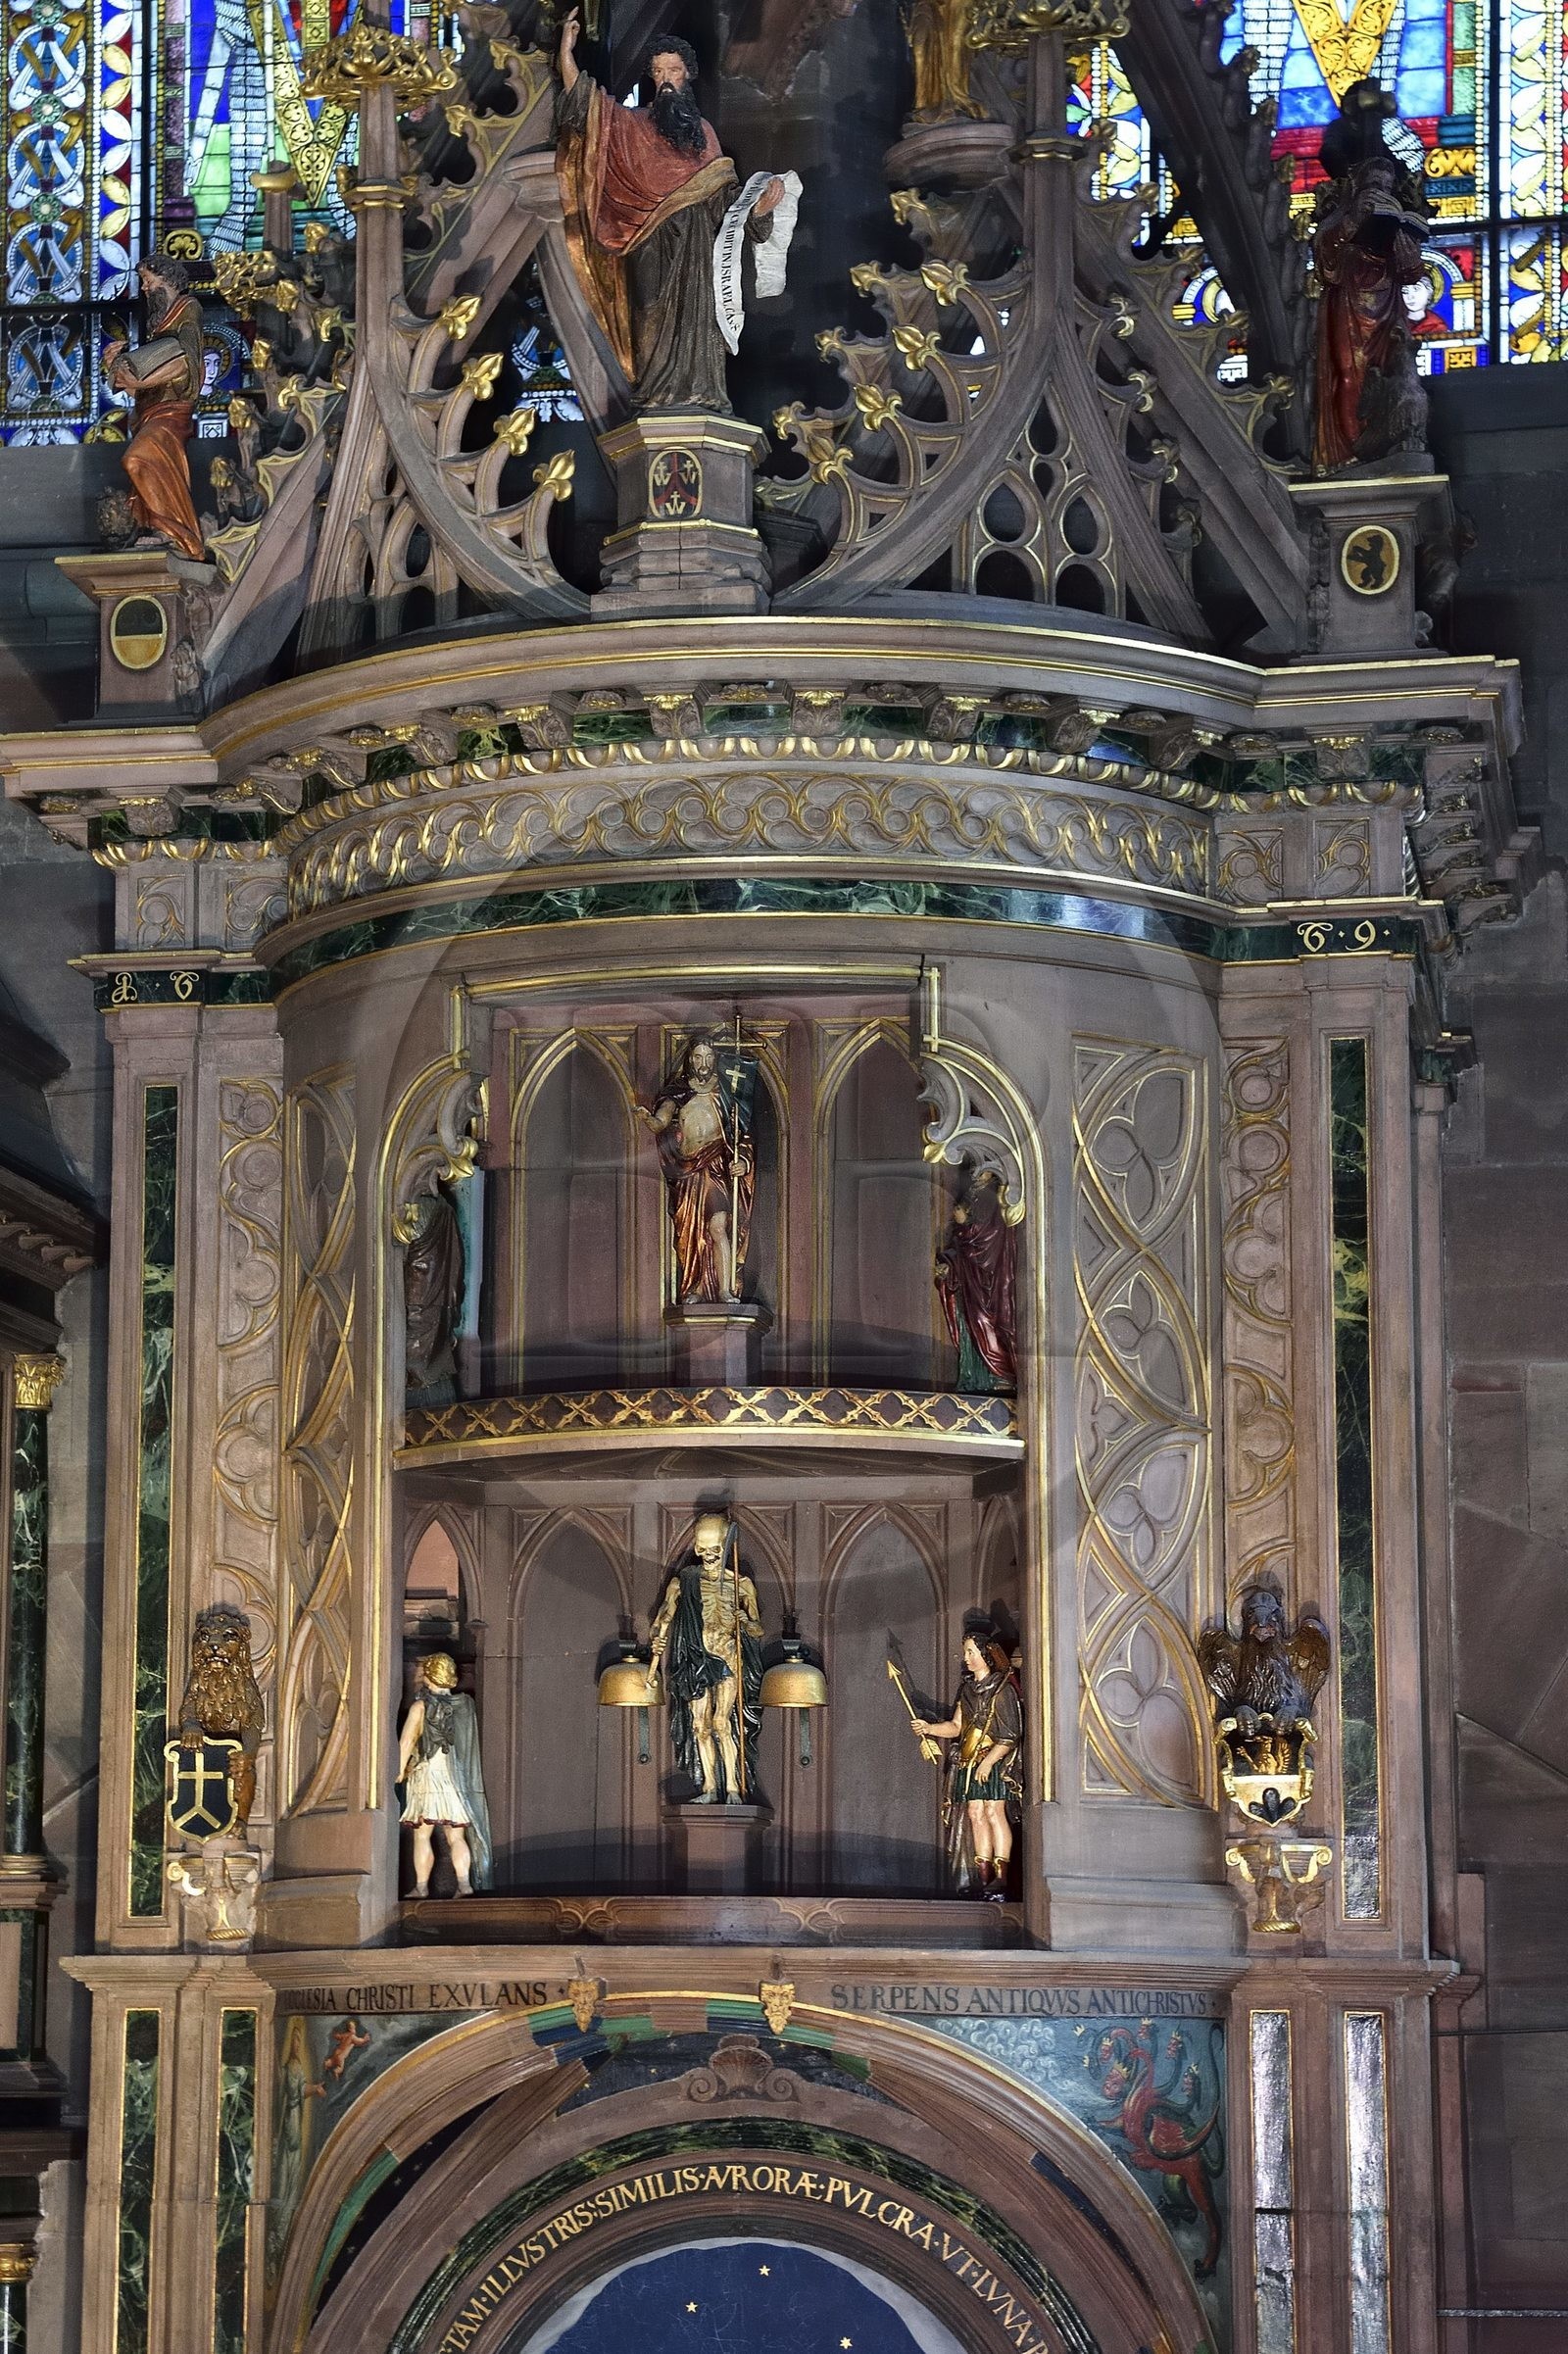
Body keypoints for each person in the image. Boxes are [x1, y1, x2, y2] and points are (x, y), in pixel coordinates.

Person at [555, 14, 784, 409]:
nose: (664, 79)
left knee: (699, 321)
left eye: (673, 70)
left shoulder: (704, 135)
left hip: (697, 248)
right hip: (648, 239)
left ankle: (702, 395)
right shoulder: (633, 126)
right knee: (649, 315)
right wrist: (565, 53)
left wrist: (760, 210)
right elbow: (589, 106)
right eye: (658, 71)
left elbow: (726, 205)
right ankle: (655, 396)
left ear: (687, 76)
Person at [648, 1511, 764, 1802]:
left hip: (725, 1658)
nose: (708, 1556)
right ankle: (710, 1788)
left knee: (722, 1724)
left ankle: (734, 1789)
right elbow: (665, 1615)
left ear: (726, 1547)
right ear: (696, 1547)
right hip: (695, 1658)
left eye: (715, 1550)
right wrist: (658, 1633)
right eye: (702, 1549)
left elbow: (758, 1629)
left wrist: (746, 1622)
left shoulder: (742, 1584)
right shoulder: (683, 1581)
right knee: (700, 1726)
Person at [103, 254, 206, 561]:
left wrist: (136, 376)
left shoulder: (188, 309)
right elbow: (143, 382)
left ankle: (179, 534)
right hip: (151, 413)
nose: (144, 288)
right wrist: (117, 368)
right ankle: (164, 533)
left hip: (172, 412)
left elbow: (185, 362)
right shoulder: (159, 325)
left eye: (148, 280)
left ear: (168, 279)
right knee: (152, 469)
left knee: (136, 460)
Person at [911, 1619, 1022, 1899]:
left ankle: (1001, 1880)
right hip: (969, 1761)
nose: (967, 1658)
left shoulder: (1002, 1690)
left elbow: (1010, 1735)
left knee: (994, 1813)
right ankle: (983, 1880)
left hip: (993, 1760)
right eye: (966, 1652)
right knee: (975, 1815)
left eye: (971, 1652)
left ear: (986, 1654)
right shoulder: (968, 1690)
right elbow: (957, 1727)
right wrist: (929, 1728)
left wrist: (988, 1762)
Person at [639, 1034, 755, 1302]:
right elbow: (661, 1122)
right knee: (692, 1232)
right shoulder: (679, 1091)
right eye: (698, 1057)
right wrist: (648, 1119)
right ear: (690, 1060)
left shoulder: (728, 1091)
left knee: (717, 1227)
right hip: (688, 1169)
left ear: (715, 1060)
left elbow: (743, 1134)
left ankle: (725, 1289)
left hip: (715, 1165)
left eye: (708, 1057)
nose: (703, 1063)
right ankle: (697, 1288)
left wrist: (743, 1161)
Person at [396, 1653, 492, 1896]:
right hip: (457, 1778)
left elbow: (407, 1742)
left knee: (422, 1834)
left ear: (429, 1676)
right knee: (456, 1835)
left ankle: (421, 1887)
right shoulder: (467, 1706)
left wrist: (397, 1772)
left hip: (428, 1774)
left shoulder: (421, 1706)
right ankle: (464, 1885)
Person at [935, 1169, 1018, 1391]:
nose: (975, 1171)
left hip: (990, 1279)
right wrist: (949, 1265)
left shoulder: (995, 1195)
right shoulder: (973, 1192)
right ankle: (981, 1375)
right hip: (970, 1277)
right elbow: (961, 1245)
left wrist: (965, 1224)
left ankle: (999, 1374)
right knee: (971, 1323)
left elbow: (989, 1238)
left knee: (985, 1321)